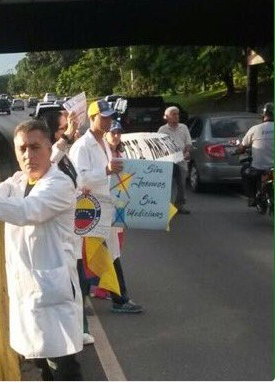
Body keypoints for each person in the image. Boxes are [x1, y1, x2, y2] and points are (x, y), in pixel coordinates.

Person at [0, 120, 83, 380]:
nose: (28, 155)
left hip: (52, 292)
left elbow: (26, 211)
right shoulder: (17, 181)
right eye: (22, 149)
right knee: (43, 365)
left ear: (49, 148)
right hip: (28, 290)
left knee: (62, 366)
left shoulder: (59, 184)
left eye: (35, 147)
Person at [69, 100, 142, 314]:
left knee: (112, 254)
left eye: (111, 117)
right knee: (86, 256)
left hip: (107, 207)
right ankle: (82, 304)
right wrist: (106, 171)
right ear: (92, 119)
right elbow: (77, 180)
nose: (109, 121)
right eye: (104, 117)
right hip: (91, 210)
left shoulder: (104, 145)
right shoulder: (82, 146)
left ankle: (120, 299)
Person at [41, 110, 95, 346]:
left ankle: (78, 329)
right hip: (61, 236)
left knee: (78, 282)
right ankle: (70, 333)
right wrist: (70, 136)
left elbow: (74, 180)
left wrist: (80, 189)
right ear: (52, 134)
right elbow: (52, 156)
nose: (68, 132)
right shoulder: (50, 159)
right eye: (62, 129)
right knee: (69, 285)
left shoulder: (66, 158)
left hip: (73, 231)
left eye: (67, 128)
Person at [236, 102, 274, 206]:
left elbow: (242, 147)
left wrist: (237, 151)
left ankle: (252, 197)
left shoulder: (255, 129)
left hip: (260, 167)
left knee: (245, 170)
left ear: (263, 115)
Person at [158, 106, 193, 214]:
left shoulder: (184, 127)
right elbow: (158, 146)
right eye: (173, 114)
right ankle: (164, 206)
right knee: (166, 184)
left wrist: (187, 152)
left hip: (181, 160)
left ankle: (180, 205)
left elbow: (188, 143)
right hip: (168, 161)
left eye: (177, 114)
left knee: (181, 184)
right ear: (167, 117)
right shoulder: (162, 130)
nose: (176, 116)